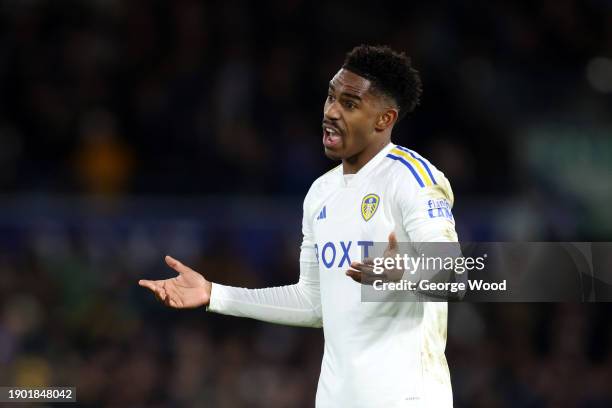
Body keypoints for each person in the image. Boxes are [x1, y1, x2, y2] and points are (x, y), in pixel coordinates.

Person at [139, 44, 458, 407]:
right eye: (330, 97)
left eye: (349, 104)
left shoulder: (411, 179)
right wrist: (215, 293)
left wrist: (401, 272)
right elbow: (312, 303)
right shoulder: (321, 194)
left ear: (384, 119)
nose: (331, 112)